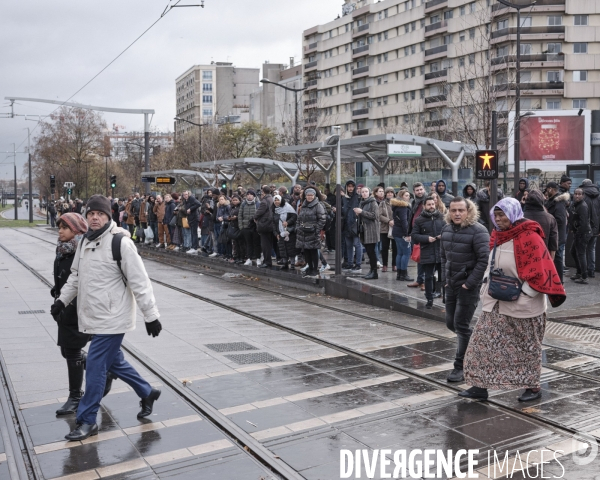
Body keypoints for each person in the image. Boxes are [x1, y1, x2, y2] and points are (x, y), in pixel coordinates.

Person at [51, 195, 162, 441]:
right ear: (86, 216)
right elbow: (76, 276)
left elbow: (140, 281)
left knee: (95, 368)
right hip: (93, 315)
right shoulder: (84, 243)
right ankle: (147, 392)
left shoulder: (120, 243)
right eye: (91, 214)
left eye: (100, 214)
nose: (95, 217)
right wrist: (62, 300)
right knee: (114, 362)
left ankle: (88, 420)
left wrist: (151, 315)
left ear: (108, 216)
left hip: (114, 318)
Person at [460, 198, 566, 402]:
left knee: (526, 348)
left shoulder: (530, 236)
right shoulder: (497, 236)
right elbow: (491, 263)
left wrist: (524, 294)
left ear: (514, 214)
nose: (498, 219)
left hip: (524, 306)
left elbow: (541, 270)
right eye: (496, 215)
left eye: (503, 215)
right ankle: (479, 385)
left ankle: (533, 388)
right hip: (496, 301)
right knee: (481, 345)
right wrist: (485, 286)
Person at [51, 213, 116, 416]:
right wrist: (57, 291)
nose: (60, 231)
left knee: (71, 351)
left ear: (76, 230)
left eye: (64, 228)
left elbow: (81, 280)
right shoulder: (63, 249)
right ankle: (107, 370)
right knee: (68, 351)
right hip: (64, 306)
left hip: (77, 308)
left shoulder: (81, 251)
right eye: (59, 227)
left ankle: (75, 397)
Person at [440, 197, 490, 383]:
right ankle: (475, 344)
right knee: (451, 323)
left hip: (468, 286)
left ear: (469, 211)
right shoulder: (445, 229)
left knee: (461, 325)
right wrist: (445, 280)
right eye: (453, 210)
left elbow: (484, 260)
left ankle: (460, 366)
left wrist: (469, 283)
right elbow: (443, 256)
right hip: (451, 284)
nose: (457, 214)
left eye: (461, 210)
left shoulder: (479, 231)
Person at [412, 196, 445, 309]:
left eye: (433, 204)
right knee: (429, 276)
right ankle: (429, 298)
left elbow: (449, 230)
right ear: (424, 206)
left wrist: (443, 235)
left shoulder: (442, 217)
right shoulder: (419, 220)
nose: (431, 206)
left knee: (443, 276)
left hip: (441, 250)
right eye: (429, 204)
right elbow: (414, 236)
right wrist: (426, 238)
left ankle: (444, 296)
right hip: (427, 251)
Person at [296, 188, 326, 278]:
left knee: (313, 252)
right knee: (306, 252)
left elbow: (322, 219)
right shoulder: (303, 205)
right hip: (303, 232)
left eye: (311, 195)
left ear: (314, 196)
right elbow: (299, 218)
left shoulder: (318, 205)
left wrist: (316, 229)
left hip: (313, 232)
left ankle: (315, 269)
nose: (309, 197)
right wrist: (298, 228)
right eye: (308, 195)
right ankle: (310, 268)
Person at [544, 181, 569, 283]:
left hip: (557, 235)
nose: (546, 192)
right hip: (555, 234)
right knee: (555, 257)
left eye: (547, 189)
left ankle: (558, 281)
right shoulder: (553, 201)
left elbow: (560, 219)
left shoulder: (558, 202)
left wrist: (549, 222)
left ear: (551, 189)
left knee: (558, 258)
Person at [354, 187, 379, 280]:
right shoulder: (362, 202)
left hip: (371, 230)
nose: (364, 193)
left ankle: (374, 272)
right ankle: (371, 270)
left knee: (371, 251)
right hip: (364, 229)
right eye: (362, 192)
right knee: (368, 251)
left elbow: (374, 216)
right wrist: (358, 214)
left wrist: (362, 212)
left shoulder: (373, 202)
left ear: (369, 192)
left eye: (366, 192)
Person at [523, 189, 558, 258]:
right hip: (543, 256)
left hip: (524, 255)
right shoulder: (550, 218)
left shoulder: (520, 217)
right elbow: (553, 244)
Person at [569, 187, 592, 284]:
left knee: (581, 254)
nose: (577, 195)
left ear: (583, 195)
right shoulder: (576, 204)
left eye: (579, 194)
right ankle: (579, 272)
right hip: (579, 233)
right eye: (576, 194)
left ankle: (584, 276)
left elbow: (583, 223)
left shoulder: (582, 206)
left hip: (583, 233)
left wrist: (578, 233)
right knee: (573, 252)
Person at [407, 182, 427, 289]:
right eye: (417, 190)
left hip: (424, 233)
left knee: (424, 258)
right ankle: (420, 280)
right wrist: (409, 232)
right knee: (418, 257)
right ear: (414, 192)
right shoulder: (414, 202)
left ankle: (424, 281)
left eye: (421, 189)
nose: (419, 192)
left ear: (424, 189)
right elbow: (412, 217)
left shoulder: (428, 201)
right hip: (415, 233)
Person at [579, 179, 600, 278]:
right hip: (595, 226)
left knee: (582, 250)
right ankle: (591, 270)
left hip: (585, 227)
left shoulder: (583, 196)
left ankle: (583, 271)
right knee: (592, 249)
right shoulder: (598, 195)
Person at [391, 190, 413, 281]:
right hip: (402, 233)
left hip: (396, 232)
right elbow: (404, 221)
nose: (408, 197)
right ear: (402, 196)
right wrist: (407, 234)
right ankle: (404, 274)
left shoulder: (396, 206)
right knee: (406, 253)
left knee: (399, 253)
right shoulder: (403, 207)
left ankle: (399, 274)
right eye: (406, 195)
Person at [342, 180, 362, 272]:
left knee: (357, 245)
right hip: (346, 225)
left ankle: (358, 264)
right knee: (348, 245)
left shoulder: (358, 198)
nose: (350, 188)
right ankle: (349, 263)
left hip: (355, 224)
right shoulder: (343, 198)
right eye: (348, 186)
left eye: (352, 186)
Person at [272, 194, 297, 270]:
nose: (276, 202)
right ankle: (285, 263)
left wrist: (288, 222)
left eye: (278, 200)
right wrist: (276, 233)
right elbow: (273, 222)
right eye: (275, 200)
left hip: (289, 232)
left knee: (291, 248)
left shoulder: (288, 207)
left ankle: (292, 264)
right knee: (282, 248)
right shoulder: (274, 209)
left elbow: (294, 217)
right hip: (280, 232)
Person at [239, 190, 261, 266]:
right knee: (248, 244)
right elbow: (240, 216)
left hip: (255, 227)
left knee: (256, 243)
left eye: (251, 194)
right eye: (247, 194)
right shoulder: (243, 204)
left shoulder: (258, 204)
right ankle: (249, 258)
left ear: (254, 196)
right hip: (245, 227)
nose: (249, 196)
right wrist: (241, 227)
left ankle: (258, 258)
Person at [254, 185, 274, 268]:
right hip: (270, 224)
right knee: (268, 244)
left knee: (265, 244)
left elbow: (259, 212)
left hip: (264, 225)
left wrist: (254, 217)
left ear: (263, 192)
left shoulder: (264, 201)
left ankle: (267, 261)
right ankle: (268, 261)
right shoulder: (271, 199)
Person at [379, 187, 397, 272]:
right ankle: (385, 265)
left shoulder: (397, 203)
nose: (390, 194)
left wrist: (394, 221)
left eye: (391, 192)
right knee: (384, 247)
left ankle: (394, 264)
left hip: (395, 228)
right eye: (388, 192)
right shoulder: (382, 204)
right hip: (384, 228)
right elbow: (379, 215)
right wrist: (388, 221)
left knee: (395, 247)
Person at [182, 190, 201, 254]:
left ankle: (194, 247)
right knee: (192, 233)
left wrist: (191, 209)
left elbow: (198, 204)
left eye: (186, 194)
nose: (185, 196)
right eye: (184, 195)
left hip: (194, 218)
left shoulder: (192, 199)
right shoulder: (185, 201)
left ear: (188, 194)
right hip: (190, 218)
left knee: (194, 233)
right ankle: (193, 246)